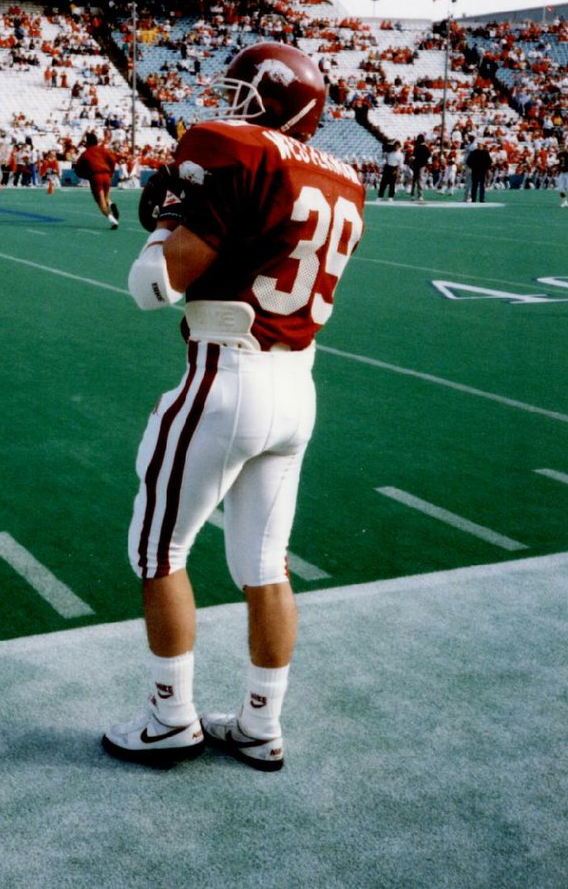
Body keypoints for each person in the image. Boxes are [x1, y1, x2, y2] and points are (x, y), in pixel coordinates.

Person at [101, 42, 365, 772]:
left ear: (273, 101)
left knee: (157, 550)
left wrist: (165, 220)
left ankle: (169, 717)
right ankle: (259, 724)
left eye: (245, 92)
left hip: (226, 374)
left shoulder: (233, 148)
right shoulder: (345, 176)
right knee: (264, 562)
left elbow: (152, 285)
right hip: (297, 387)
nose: (231, 103)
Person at [73, 131, 119, 228]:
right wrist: (111, 172)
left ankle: (113, 221)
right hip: (106, 175)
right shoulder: (103, 150)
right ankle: (111, 204)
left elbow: (79, 169)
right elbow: (113, 160)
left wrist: (77, 169)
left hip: (95, 177)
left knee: (100, 202)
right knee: (106, 198)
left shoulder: (85, 154)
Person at [409, 134, 431, 203]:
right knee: (419, 180)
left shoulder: (417, 147)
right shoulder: (425, 147)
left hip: (417, 165)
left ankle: (413, 195)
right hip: (421, 165)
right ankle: (420, 195)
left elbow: (414, 156)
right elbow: (428, 155)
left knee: (415, 180)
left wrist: (413, 159)